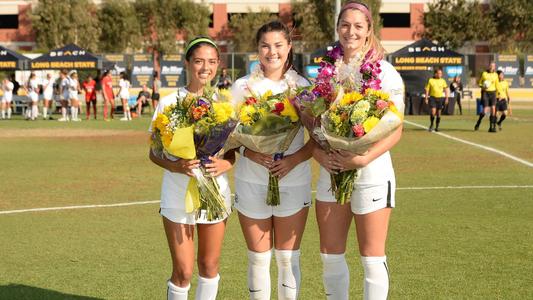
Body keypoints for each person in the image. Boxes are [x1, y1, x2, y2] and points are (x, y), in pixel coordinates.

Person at [312, 2, 405, 299]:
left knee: (372, 257)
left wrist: (362, 157)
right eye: (345, 25)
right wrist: (323, 156)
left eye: (357, 26)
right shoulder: (326, 73)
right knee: (330, 255)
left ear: (368, 31)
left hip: (371, 171)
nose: (350, 31)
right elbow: (314, 125)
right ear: (338, 27)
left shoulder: (385, 72)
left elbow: (395, 128)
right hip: (332, 172)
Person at [230, 21, 313, 300]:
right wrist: (249, 151)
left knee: (288, 259)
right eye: (265, 45)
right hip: (250, 180)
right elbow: (227, 137)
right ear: (257, 49)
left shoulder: (302, 87)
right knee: (258, 259)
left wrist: (294, 160)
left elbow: (320, 137)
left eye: (278, 45)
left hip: (294, 180)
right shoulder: (242, 87)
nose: (272, 51)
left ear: (289, 47)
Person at [149, 36, 234, 300]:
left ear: (218, 64)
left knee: (209, 266)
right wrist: (176, 166)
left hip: (215, 192)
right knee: (183, 271)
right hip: (177, 193)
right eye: (198, 61)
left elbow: (234, 149)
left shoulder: (226, 103)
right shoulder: (169, 102)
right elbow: (153, 152)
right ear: (188, 63)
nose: (205, 67)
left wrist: (226, 163)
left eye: (211, 61)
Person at [475, 62, 498, 132]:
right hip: (485, 93)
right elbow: (479, 83)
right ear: (489, 66)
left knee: (493, 109)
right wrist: (483, 86)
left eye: (493, 66)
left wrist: (498, 94)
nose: (492, 67)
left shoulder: (496, 75)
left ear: (494, 67)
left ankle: (492, 127)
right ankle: (478, 122)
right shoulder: (484, 74)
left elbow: (497, 85)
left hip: (493, 93)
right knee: (485, 111)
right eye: (491, 66)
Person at [424, 68, 448, 132]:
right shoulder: (430, 80)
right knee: (433, 111)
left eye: (441, 73)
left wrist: (446, 98)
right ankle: (431, 125)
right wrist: (426, 98)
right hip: (432, 98)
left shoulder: (443, 81)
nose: (440, 74)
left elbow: (446, 89)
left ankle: (437, 126)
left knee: (439, 114)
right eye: (439, 73)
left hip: (440, 98)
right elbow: (427, 90)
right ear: (435, 74)